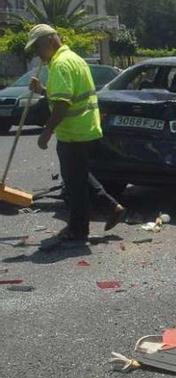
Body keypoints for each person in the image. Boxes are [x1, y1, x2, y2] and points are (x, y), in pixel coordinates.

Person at [26, 24, 124, 245]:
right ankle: (113, 207)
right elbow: (66, 94)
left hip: (73, 133)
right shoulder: (74, 58)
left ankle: (78, 230)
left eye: (37, 47)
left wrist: (46, 132)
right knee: (80, 176)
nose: (37, 54)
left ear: (50, 41)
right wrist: (42, 90)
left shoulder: (60, 64)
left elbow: (62, 104)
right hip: (86, 129)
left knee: (74, 185)